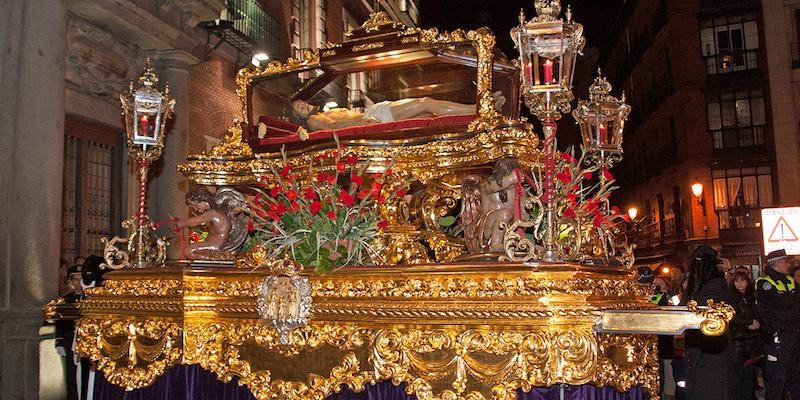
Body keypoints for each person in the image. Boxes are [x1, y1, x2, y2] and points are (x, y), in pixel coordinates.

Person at [291, 92, 505, 131]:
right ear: (299, 117)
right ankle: (480, 109)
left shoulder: (326, 110)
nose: (303, 106)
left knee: (430, 116)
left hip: (375, 112)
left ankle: (477, 112)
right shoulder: (313, 122)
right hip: (375, 118)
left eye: (301, 103)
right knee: (426, 103)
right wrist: (362, 124)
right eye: (299, 109)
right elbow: (335, 127)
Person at [682, 244, 735, 400]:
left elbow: (706, 308)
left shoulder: (716, 283)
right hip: (697, 343)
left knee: (713, 384)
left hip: (714, 342)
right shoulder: (694, 282)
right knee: (699, 381)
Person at [756, 249, 800, 400]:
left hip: (794, 334)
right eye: (786, 261)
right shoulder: (765, 283)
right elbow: (781, 304)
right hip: (779, 336)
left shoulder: (789, 280)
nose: (789, 264)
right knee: (777, 378)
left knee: (795, 376)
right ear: (777, 263)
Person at [461, 158, 524, 253]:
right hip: (487, 230)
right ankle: (495, 243)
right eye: (508, 173)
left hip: (509, 232)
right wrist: (511, 179)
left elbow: (523, 215)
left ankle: (508, 243)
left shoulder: (519, 191)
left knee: (511, 216)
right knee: (505, 213)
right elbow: (494, 187)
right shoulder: (487, 187)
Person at [55, 265, 89, 400]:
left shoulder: (90, 299)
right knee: (70, 373)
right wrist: (59, 341)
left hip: (86, 343)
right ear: (71, 281)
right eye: (75, 280)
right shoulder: (66, 300)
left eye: (81, 279)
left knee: (85, 374)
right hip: (70, 342)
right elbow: (60, 321)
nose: (78, 283)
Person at [174, 187, 232, 260]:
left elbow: (195, 221)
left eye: (195, 205)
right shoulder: (213, 212)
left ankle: (214, 260)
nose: (195, 209)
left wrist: (180, 224)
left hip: (216, 245)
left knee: (188, 251)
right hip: (212, 243)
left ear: (203, 200)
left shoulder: (213, 213)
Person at [729, 271, 761, 400]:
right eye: (737, 281)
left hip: (752, 340)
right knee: (739, 374)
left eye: (742, 280)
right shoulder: (731, 297)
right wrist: (748, 322)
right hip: (738, 340)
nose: (740, 283)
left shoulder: (752, 296)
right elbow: (732, 317)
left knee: (750, 374)